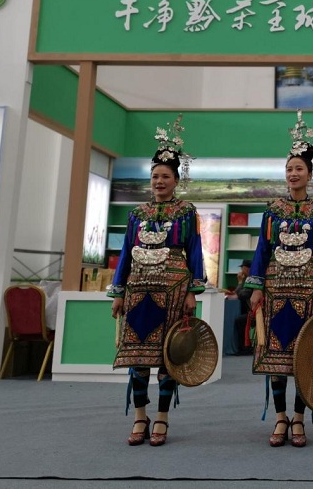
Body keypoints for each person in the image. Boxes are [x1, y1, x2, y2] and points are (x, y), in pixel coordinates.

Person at [108, 115, 206, 447]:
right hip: (138, 292)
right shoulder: (136, 215)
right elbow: (125, 253)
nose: (159, 181)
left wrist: (194, 290)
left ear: (176, 180)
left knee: (168, 357)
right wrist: (119, 292)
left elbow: (195, 252)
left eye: (165, 176)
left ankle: (162, 418)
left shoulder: (187, 212)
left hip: (175, 291)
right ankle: (139, 416)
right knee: (138, 359)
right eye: (154, 176)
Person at [244, 110, 313, 448]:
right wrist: (255, 287)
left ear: (310, 173)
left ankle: (300, 418)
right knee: (276, 355)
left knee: (305, 354)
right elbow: (262, 250)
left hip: (309, 293)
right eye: (288, 169)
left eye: (299, 168)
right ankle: (280, 417)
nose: (293, 173)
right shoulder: (272, 210)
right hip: (275, 292)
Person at [234, 259, 253, 355]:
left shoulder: (251, 280)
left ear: (246, 269)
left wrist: (240, 282)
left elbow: (242, 295)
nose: (241, 270)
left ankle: (244, 348)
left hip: (255, 313)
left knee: (239, 321)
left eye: (242, 268)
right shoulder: (248, 279)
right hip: (249, 311)